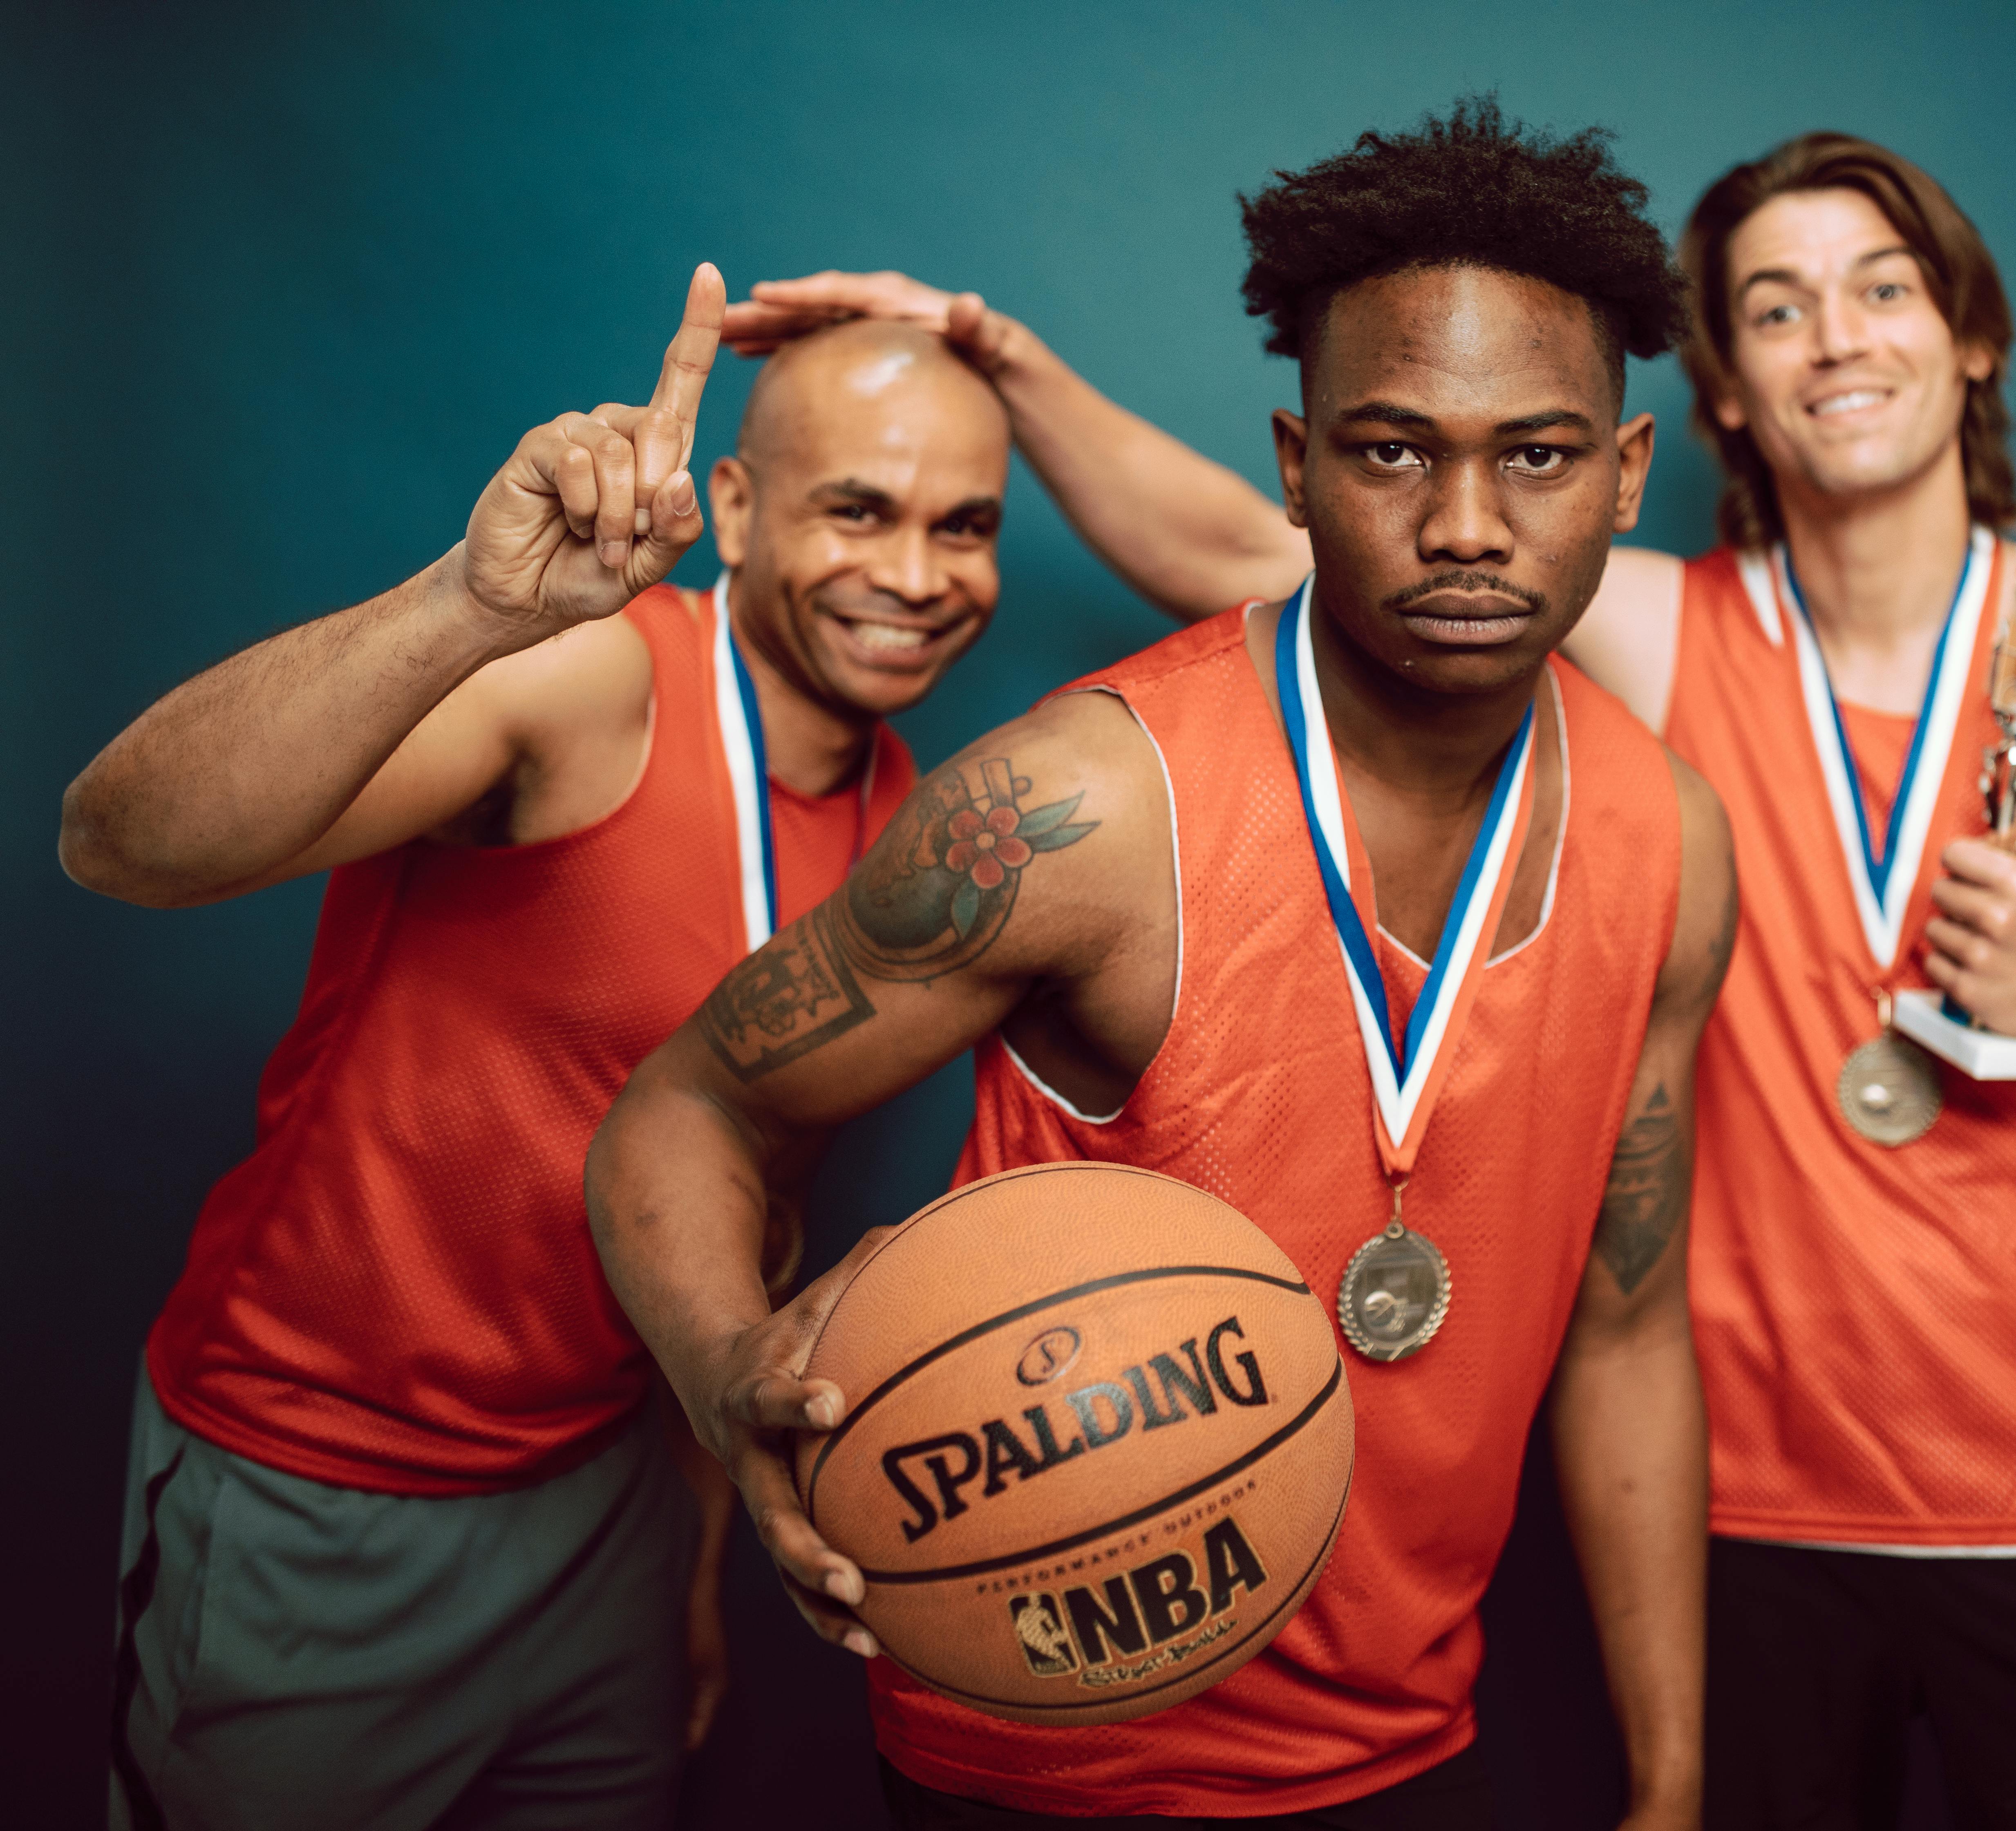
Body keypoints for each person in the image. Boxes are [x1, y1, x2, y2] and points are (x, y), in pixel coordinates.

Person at [734, 126, 2016, 1829]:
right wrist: (991, 356)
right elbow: (1279, 545)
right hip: (1756, 1523)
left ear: (1974, 338)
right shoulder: (1642, 628)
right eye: (1778, 308)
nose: (1841, 337)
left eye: (1884, 290)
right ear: (1721, 392)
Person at [588, 100, 1733, 1829]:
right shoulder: (1082, 810)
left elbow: (1629, 1328)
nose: (1469, 525)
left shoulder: (1669, 840)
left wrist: (1669, 1777)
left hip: (1416, 1750)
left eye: (1542, 456)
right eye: (1393, 450)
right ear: (1294, 465)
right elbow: (676, 1111)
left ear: (1629, 474)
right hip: (1037, 1760)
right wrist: (725, 1363)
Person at [61, 266, 1016, 1829]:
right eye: (858, 509)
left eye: (963, 526)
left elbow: (754, 1205)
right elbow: (120, 843)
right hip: (326, 1483)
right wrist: (469, 612)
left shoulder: (905, 818)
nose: (913, 573)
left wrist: (693, 1554)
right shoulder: (596, 682)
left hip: (608, 1509)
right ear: (738, 501)